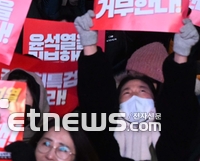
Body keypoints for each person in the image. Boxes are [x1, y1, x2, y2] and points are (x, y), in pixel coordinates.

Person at [75, 11, 199, 161]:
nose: (134, 95)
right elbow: (95, 100)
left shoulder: (172, 137)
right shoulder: (103, 138)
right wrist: (89, 45)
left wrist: (181, 55)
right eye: (126, 92)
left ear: (155, 98)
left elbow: (178, 103)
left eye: (142, 90)